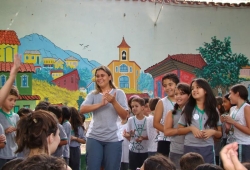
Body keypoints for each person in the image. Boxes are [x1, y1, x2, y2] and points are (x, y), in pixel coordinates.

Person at [80, 66, 128, 170]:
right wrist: (101, 104)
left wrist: (113, 102)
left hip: (113, 138)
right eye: (97, 76)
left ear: (110, 77)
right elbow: (82, 109)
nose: (99, 78)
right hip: (94, 137)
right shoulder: (93, 94)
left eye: (102, 75)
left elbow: (125, 116)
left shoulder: (118, 93)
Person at [178, 78, 222, 164]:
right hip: (190, 148)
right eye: (193, 88)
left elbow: (220, 133)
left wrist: (212, 132)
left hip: (208, 148)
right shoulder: (187, 108)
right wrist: (191, 128)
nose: (194, 90)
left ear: (205, 90)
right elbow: (179, 130)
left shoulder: (214, 110)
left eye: (198, 87)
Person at [0, 54, 21, 168]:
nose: (13, 103)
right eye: (10, 100)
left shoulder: (16, 116)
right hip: (3, 156)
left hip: (14, 154)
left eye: (15, 100)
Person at [164, 83, 190, 169]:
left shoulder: (194, 112)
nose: (178, 96)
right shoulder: (171, 113)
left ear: (189, 95)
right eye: (176, 94)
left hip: (192, 150)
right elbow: (167, 131)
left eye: (182, 94)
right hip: (176, 151)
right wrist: (182, 130)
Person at [153, 73, 179, 156]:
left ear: (177, 85)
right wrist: (170, 131)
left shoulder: (185, 102)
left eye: (170, 84)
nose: (167, 88)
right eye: (165, 85)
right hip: (165, 141)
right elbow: (156, 123)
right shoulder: (162, 102)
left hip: (181, 141)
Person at [223, 84, 250, 162]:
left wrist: (234, 122)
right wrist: (228, 127)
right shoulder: (232, 108)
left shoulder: (247, 107)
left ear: (237, 94)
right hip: (231, 143)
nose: (229, 96)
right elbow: (230, 129)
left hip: (243, 144)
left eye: (230, 93)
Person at [125, 97, 148, 170]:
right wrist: (129, 135)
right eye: (132, 106)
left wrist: (143, 138)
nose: (134, 108)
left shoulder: (148, 120)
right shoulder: (131, 120)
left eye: (136, 106)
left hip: (145, 151)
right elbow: (129, 135)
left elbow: (152, 136)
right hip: (133, 151)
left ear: (142, 107)